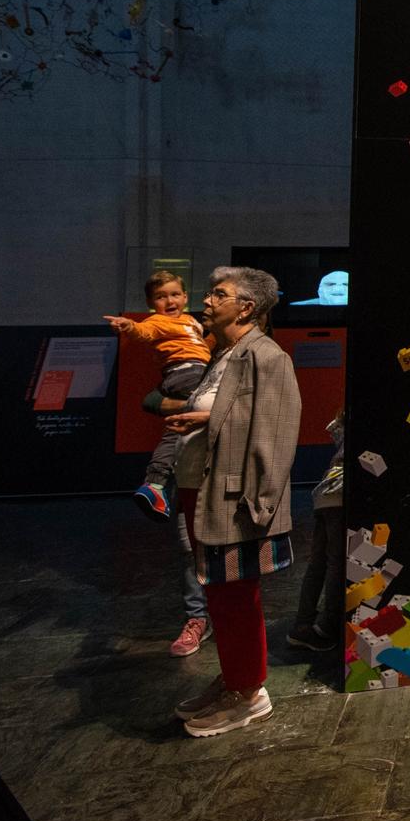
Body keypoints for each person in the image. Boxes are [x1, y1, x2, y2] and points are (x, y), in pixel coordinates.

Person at [163, 266, 303, 737]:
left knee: (236, 595)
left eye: (218, 294)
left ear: (247, 306)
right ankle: (235, 679)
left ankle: (248, 693)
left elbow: (277, 434)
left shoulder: (267, 357)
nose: (206, 300)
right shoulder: (225, 354)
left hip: (234, 499)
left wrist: (261, 503)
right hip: (201, 490)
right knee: (218, 593)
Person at [103, 269, 213, 523]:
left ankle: (155, 485)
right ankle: (157, 484)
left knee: (180, 426)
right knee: (188, 423)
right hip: (186, 373)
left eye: (175, 294)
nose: (170, 301)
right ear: (151, 304)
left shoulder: (191, 321)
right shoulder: (157, 322)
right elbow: (142, 332)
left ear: (186, 297)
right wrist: (128, 326)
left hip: (195, 372)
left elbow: (202, 344)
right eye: (161, 297)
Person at [286, 408, 347, 654]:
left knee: (317, 562)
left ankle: (302, 625)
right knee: (337, 564)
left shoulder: (342, 421)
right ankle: (326, 628)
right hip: (342, 492)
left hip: (324, 490)